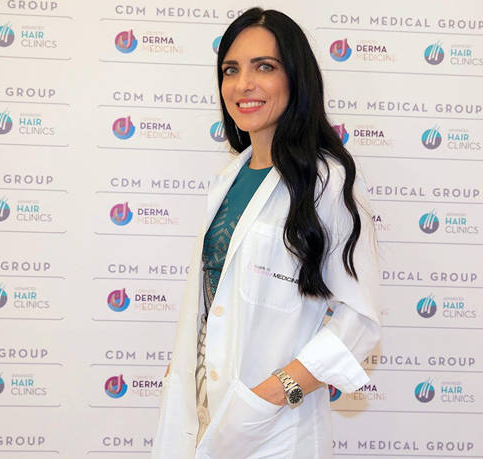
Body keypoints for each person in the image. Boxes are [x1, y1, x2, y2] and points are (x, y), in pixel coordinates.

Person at [152, 8, 381, 459]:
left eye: (264, 67)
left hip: (275, 429)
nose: (243, 84)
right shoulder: (229, 179)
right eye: (231, 70)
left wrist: (274, 394)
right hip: (199, 413)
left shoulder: (325, 182)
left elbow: (360, 319)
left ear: (296, 79)